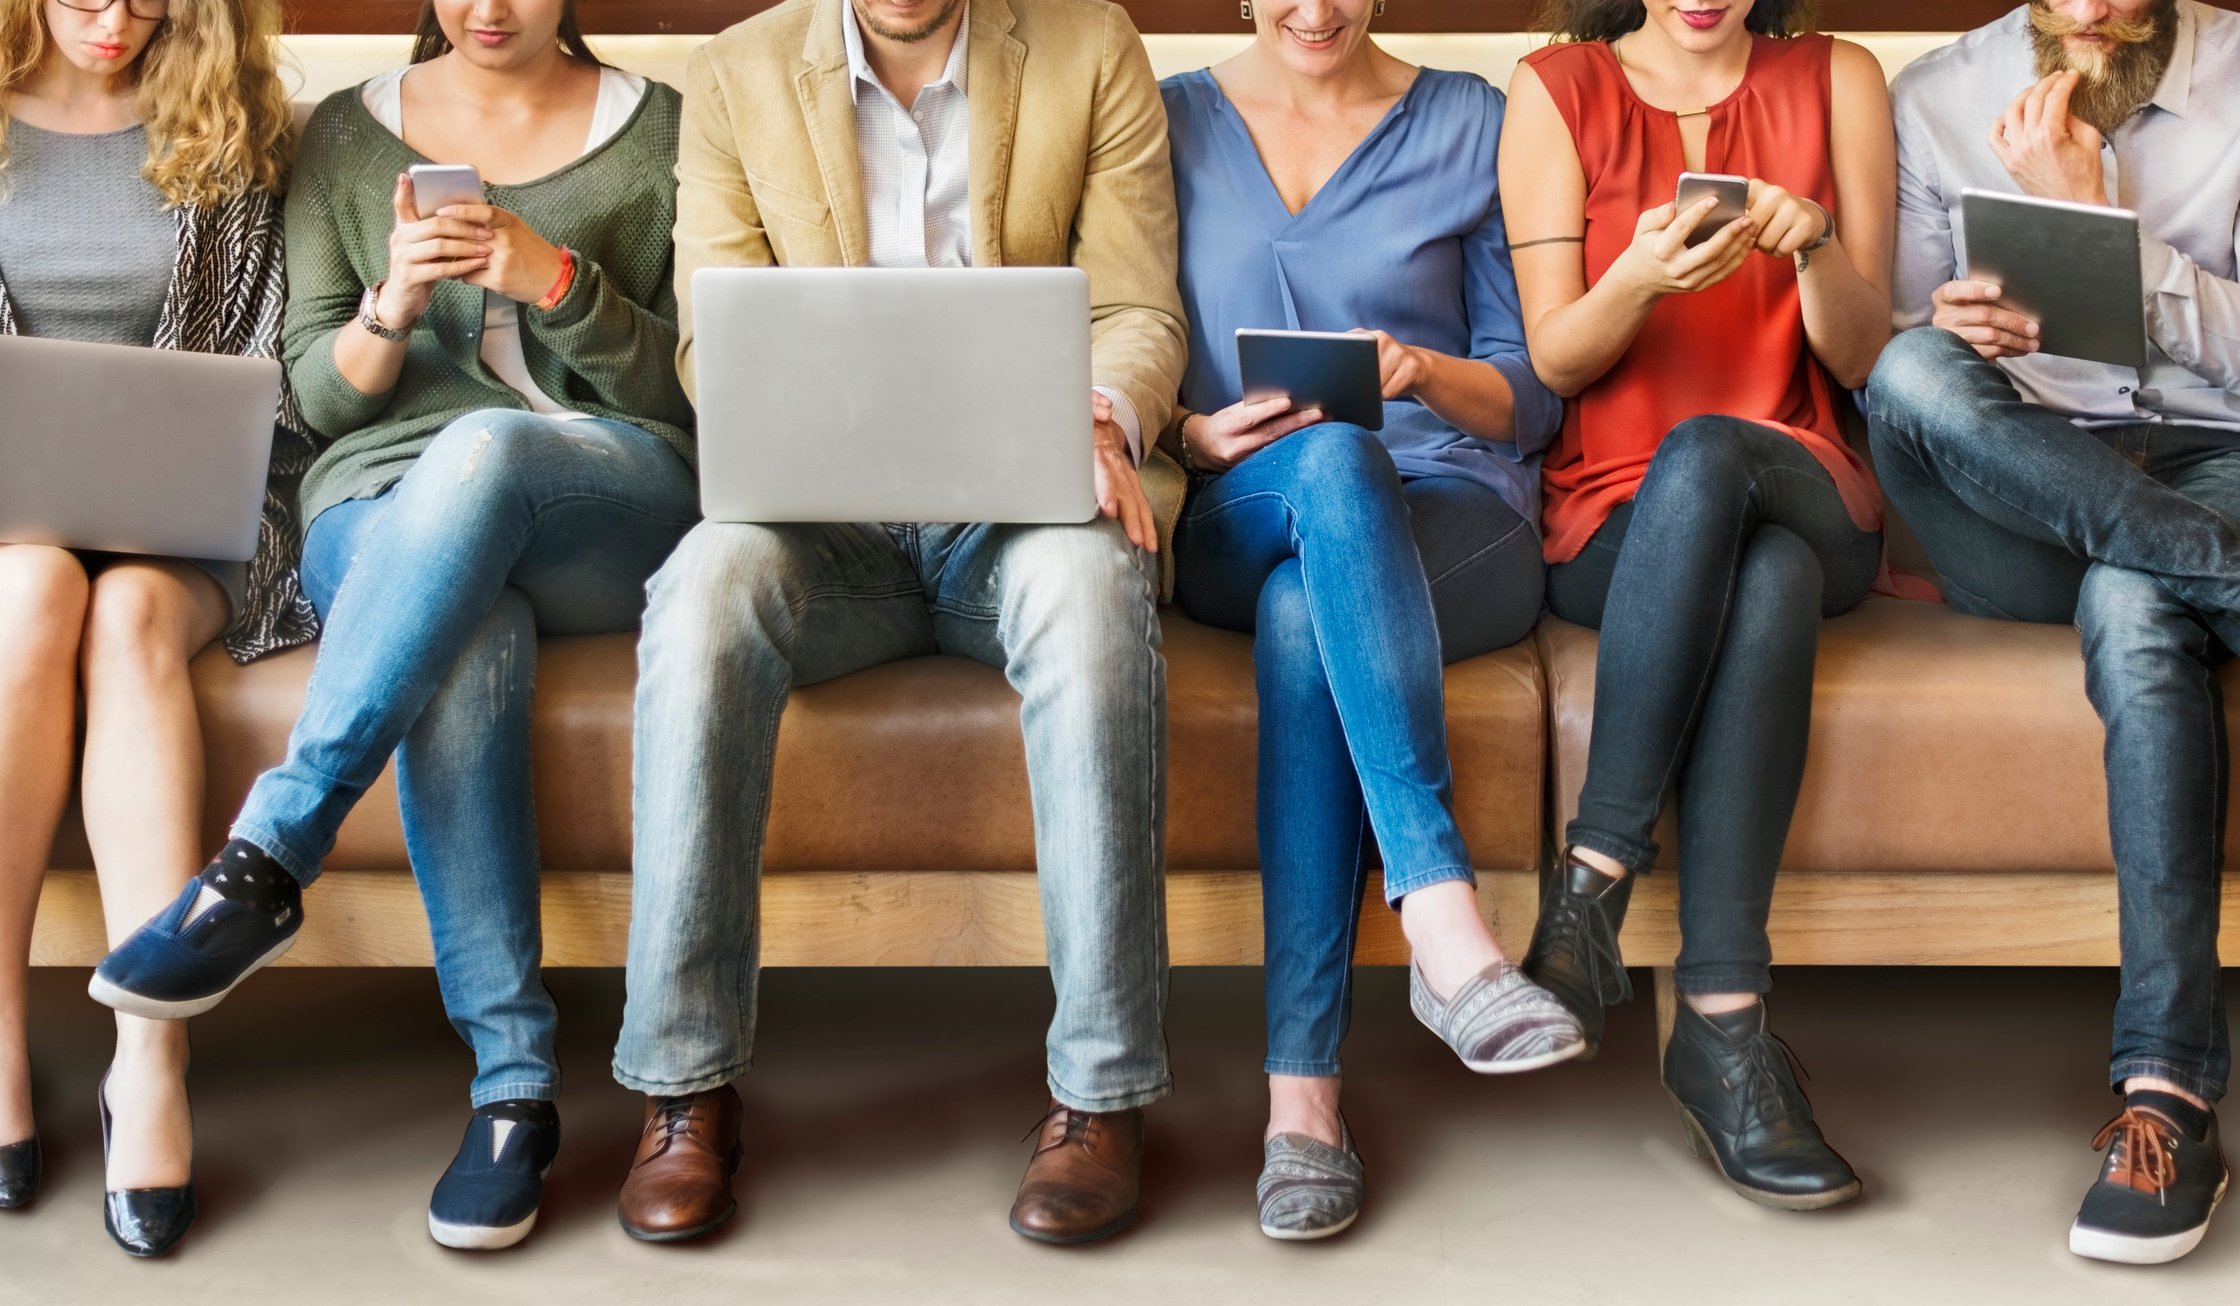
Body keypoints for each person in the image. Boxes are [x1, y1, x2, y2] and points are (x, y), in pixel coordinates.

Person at [87, 0, 696, 1252]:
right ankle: (513, 1090)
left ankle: (270, 859)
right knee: (464, 630)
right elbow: (308, 398)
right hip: (378, 505)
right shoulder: (343, 140)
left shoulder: (663, 133)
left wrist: (558, 281)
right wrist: (389, 310)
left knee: (485, 447)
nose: (489, 9)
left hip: (601, 491)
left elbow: (692, 384)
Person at [609, 0, 1186, 1248]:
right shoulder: (736, 73)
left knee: (1095, 595)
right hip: (833, 523)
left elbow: (1141, 310)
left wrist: (1097, 414)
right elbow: (715, 343)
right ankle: (684, 1085)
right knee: (706, 584)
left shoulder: (1095, 49)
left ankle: (1100, 1094)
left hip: (1023, 513)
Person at [1871, 0, 2240, 1265]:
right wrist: (1955, 329)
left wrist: (2103, 238)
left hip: (2229, 459)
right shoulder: (1935, 92)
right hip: (2025, 481)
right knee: (1906, 380)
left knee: (2134, 597)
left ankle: (2164, 1093)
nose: (2097, 13)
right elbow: (1899, 342)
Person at [1162, 0, 1572, 1241]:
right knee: (1332, 468)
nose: (1317, 7)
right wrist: (1184, 431)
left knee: (1308, 611)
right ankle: (1445, 921)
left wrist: (1418, 372)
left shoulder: (1471, 120)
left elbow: (1533, 402)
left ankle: (1303, 1106)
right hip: (1246, 504)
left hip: (1452, 510)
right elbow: (1124, 334)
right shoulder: (1169, 118)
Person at [1499, 0, 1898, 1209]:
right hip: (1617, 518)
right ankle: (1723, 1033)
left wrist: (1817, 246)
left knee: (1720, 459)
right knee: (1757, 571)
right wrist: (1638, 274)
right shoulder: (1554, 88)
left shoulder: (1839, 78)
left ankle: (1593, 880)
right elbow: (1557, 359)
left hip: (1808, 478)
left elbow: (1863, 357)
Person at [0, 0, 307, 1257]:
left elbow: (265, 370)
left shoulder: (233, 122)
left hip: (190, 528)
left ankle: (150, 1061)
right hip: (9, 537)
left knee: (124, 607)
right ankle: (4, 1038)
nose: (117, 20)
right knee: (37, 588)